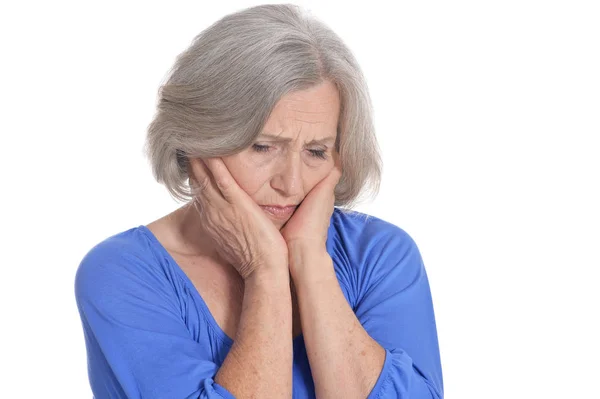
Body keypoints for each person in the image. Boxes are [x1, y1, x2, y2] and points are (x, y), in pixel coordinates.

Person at [74, 4, 443, 398]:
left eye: (317, 151)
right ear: (199, 140)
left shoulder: (380, 255)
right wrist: (265, 271)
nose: (292, 183)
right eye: (264, 147)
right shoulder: (123, 274)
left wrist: (309, 261)